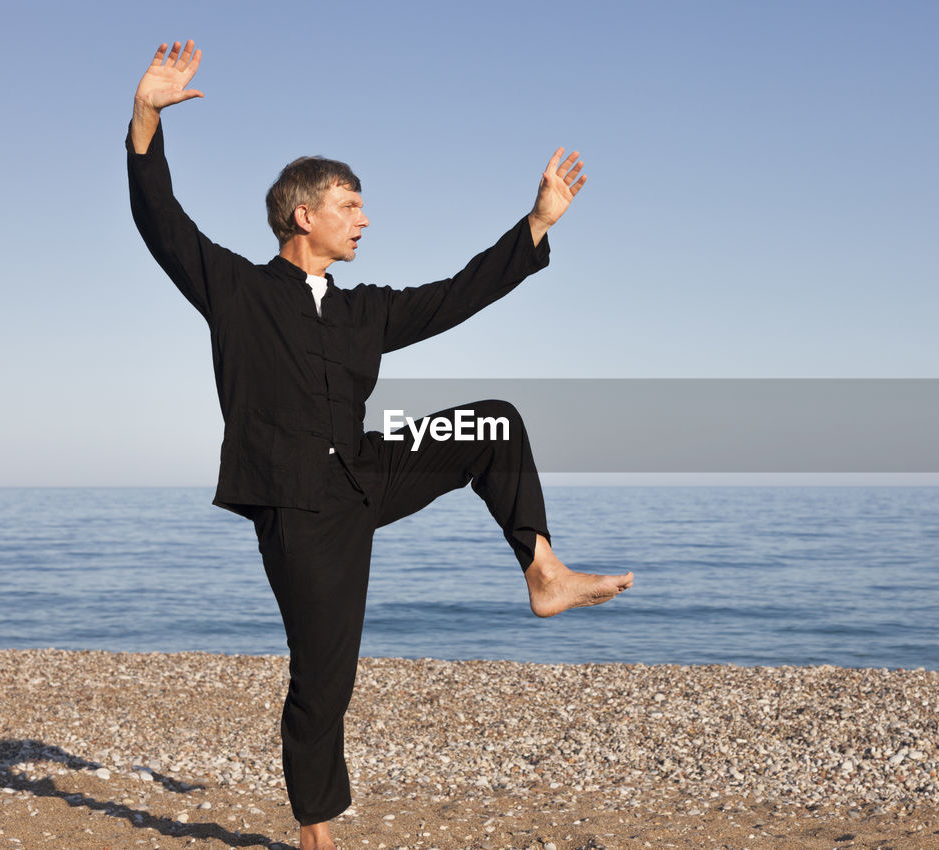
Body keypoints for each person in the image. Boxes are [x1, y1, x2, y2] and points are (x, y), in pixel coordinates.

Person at [126, 40, 634, 850]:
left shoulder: (366, 312)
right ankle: (315, 827)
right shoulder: (237, 290)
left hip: (365, 473)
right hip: (298, 507)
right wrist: (147, 114)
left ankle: (544, 572)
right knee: (325, 676)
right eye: (350, 206)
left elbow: (455, 296)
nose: (364, 219)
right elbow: (161, 219)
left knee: (492, 422)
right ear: (305, 215)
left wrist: (536, 225)